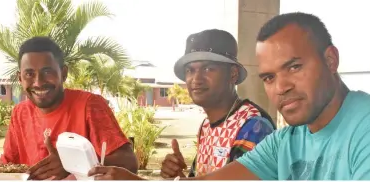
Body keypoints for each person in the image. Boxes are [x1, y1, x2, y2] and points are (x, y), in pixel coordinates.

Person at [86, 12, 370, 180]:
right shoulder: (289, 140)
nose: (280, 87)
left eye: (294, 67)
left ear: (330, 60)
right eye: (269, 77)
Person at [91, 29, 276, 180]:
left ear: (233, 74)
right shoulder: (206, 126)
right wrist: (178, 176)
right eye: (190, 70)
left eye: (208, 68)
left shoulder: (253, 126)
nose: (196, 78)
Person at [0, 37, 138, 180]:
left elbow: (130, 164)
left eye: (47, 72)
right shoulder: (20, 113)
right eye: (29, 74)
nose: (38, 82)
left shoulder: (89, 105)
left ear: (63, 73)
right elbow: (12, 166)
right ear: (20, 78)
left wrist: (73, 164)